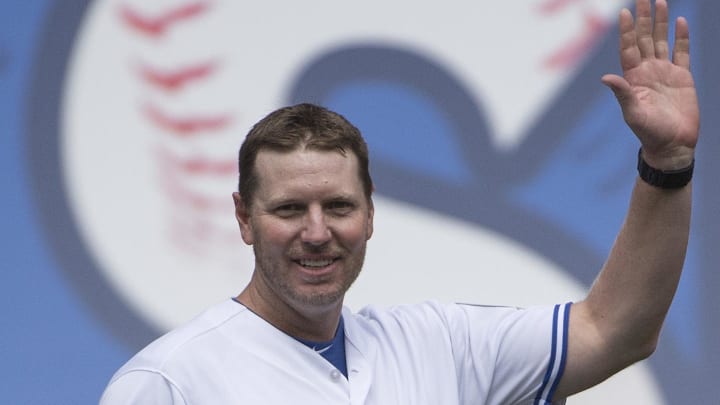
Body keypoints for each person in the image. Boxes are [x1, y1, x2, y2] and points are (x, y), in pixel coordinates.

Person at [100, 0, 699, 403]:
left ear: (370, 213)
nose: (316, 232)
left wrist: (667, 164)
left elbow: (612, 330)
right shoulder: (170, 381)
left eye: (338, 206)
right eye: (288, 209)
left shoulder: (441, 344)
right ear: (243, 218)